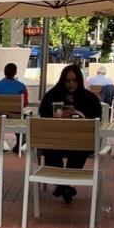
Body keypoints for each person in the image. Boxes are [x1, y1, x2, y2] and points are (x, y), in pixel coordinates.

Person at [38, 64, 103, 204]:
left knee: (81, 149)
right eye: (67, 81)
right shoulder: (51, 97)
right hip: (56, 141)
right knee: (50, 148)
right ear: (63, 81)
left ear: (79, 80)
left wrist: (81, 116)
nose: (71, 84)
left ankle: (62, 186)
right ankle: (65, 186)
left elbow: (97, 122)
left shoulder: (90, 99)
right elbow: (43, 117)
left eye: (74, 80)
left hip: (81, 142)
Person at [0, 62, 28, 153]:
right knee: (25, 118)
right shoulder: (21, 86)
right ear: (15, 72)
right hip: (15, 119)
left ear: (4, 72)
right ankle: (19, 145)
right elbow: (24, 103)